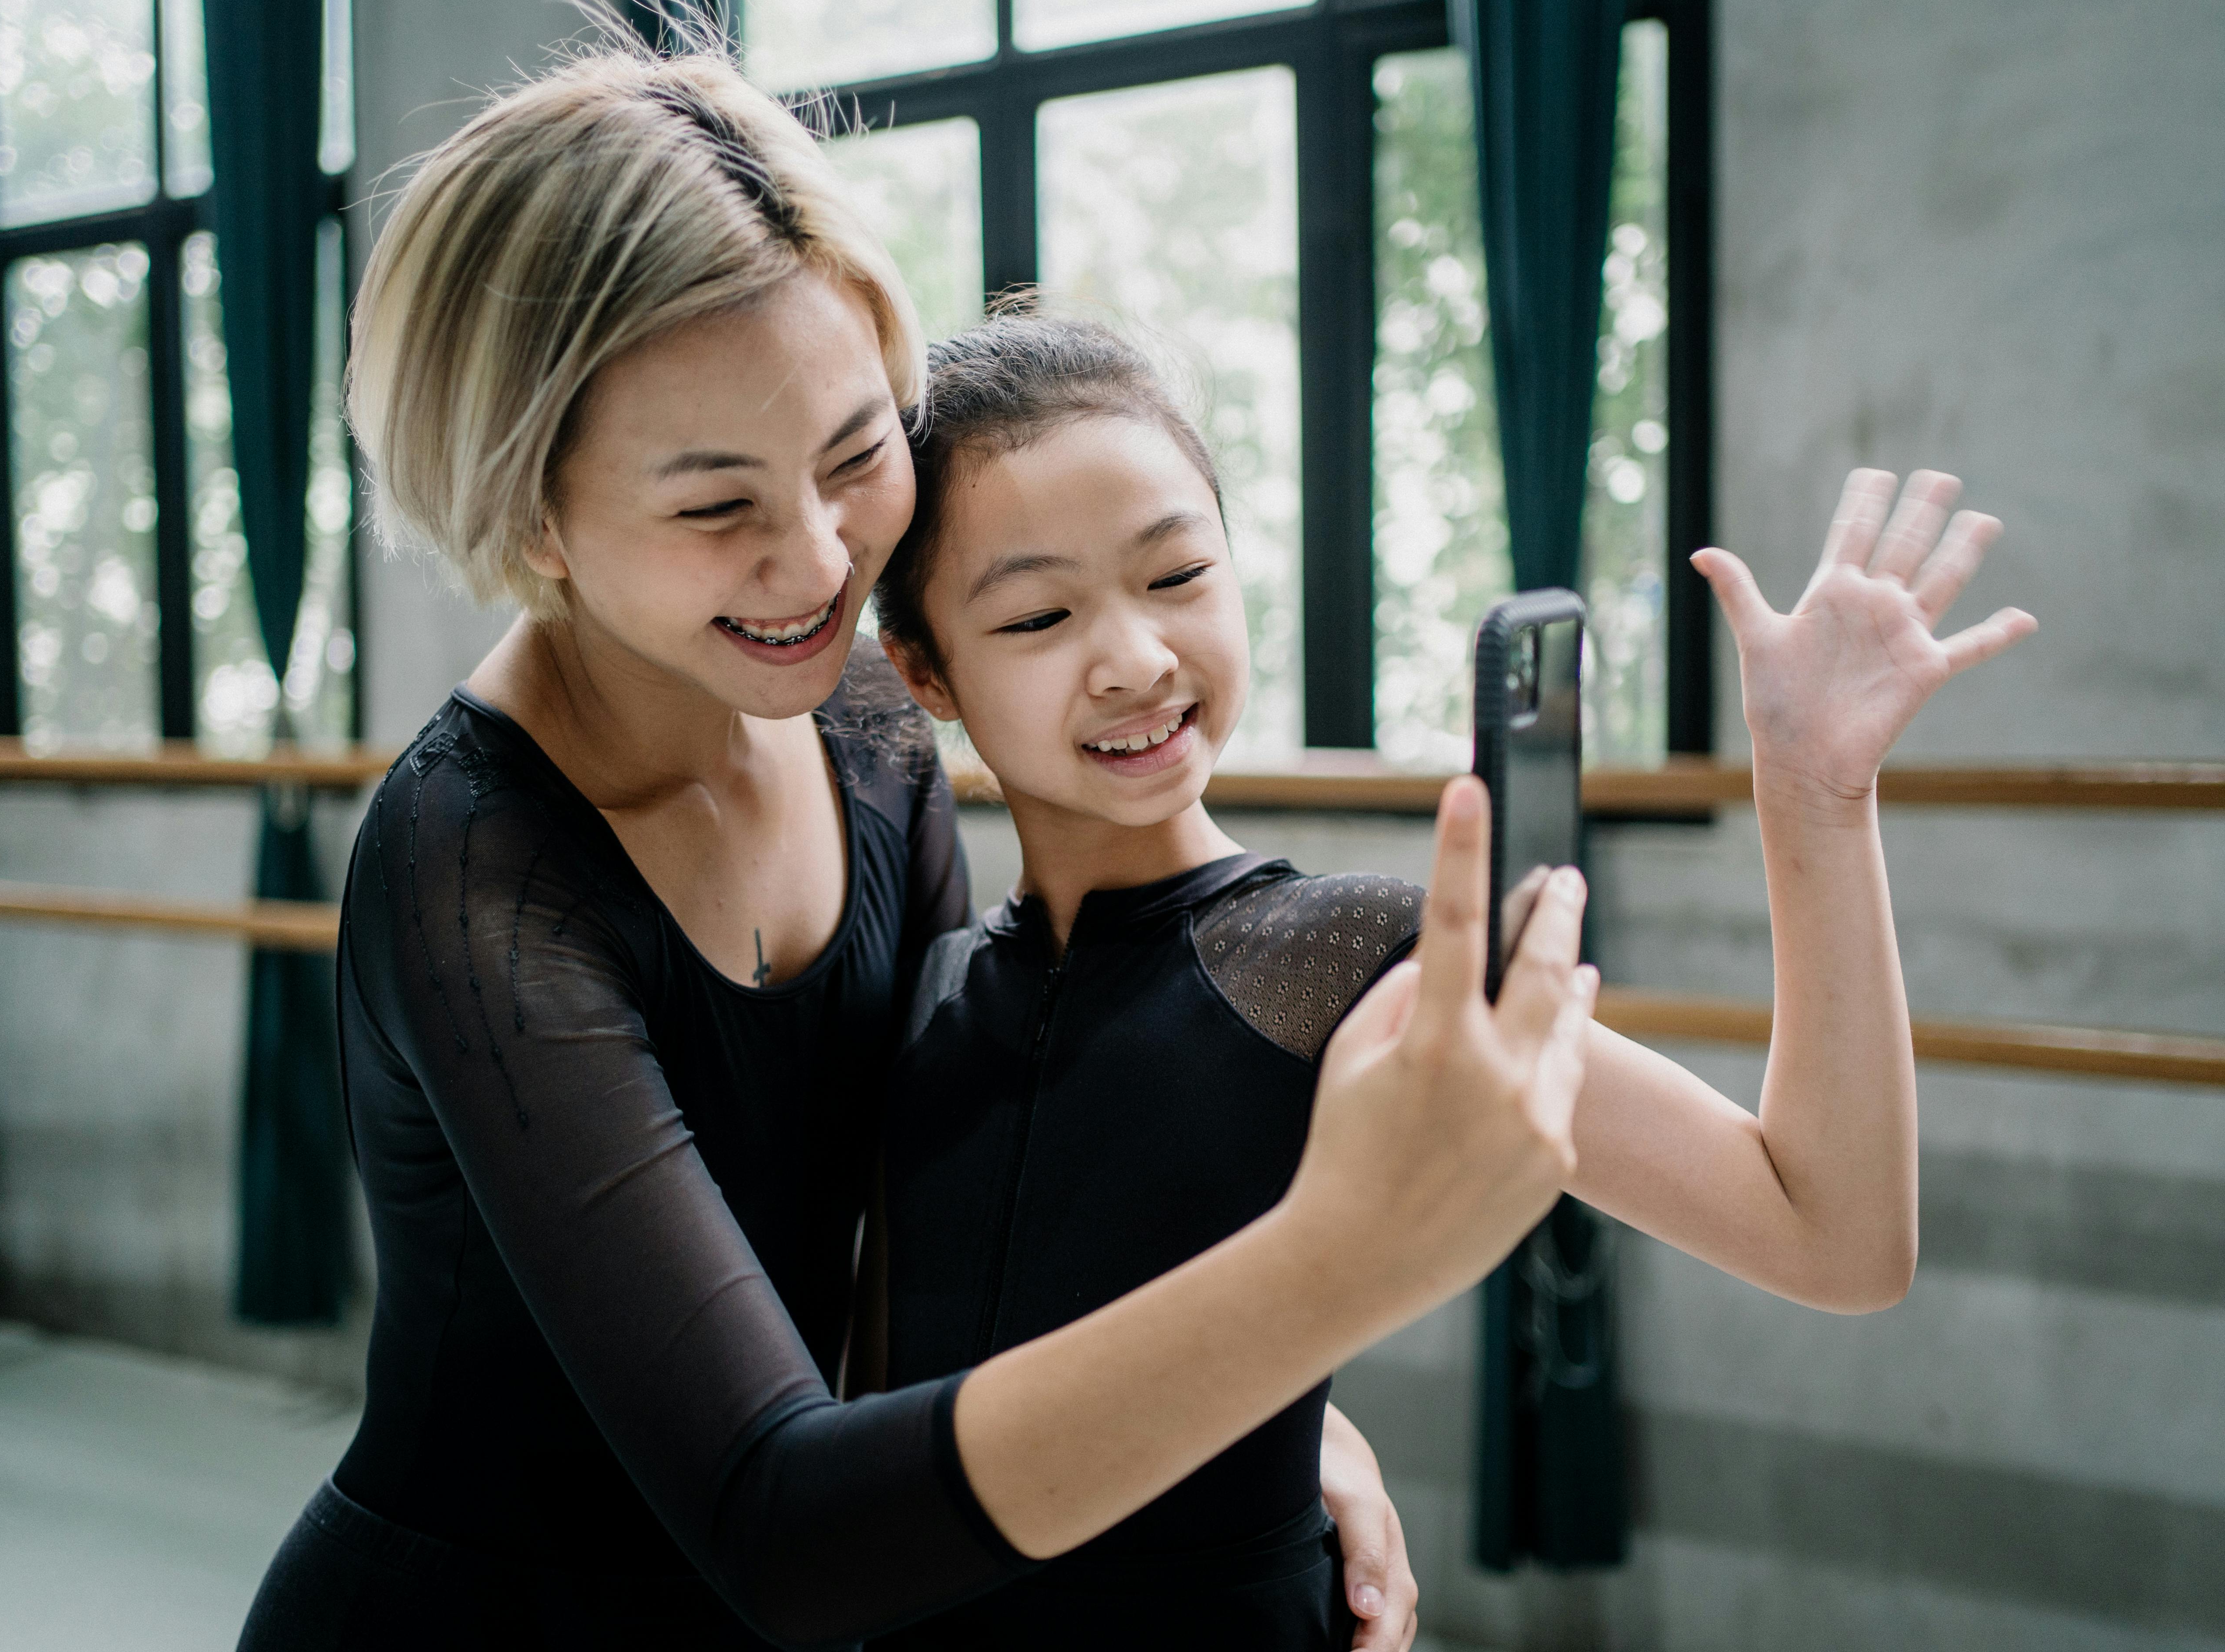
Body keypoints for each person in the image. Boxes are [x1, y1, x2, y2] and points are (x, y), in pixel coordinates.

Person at [237, 27, 1599, 1652]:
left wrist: (1289, 1422)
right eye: (715, 506)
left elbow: (942, 1262)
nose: (818, 560)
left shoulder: (868, 724)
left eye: (856, 449)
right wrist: (1339, 1265)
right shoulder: (473, 879)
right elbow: (782, 1524)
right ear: (535, 513)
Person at [858, 310, 2038, 1646]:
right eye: (1037, 614)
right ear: (924, 669)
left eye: (1178, 574)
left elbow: (1834, 1236)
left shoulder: (1335, 958)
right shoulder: (923, 981)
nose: (1134, 655)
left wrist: (1819, 797)